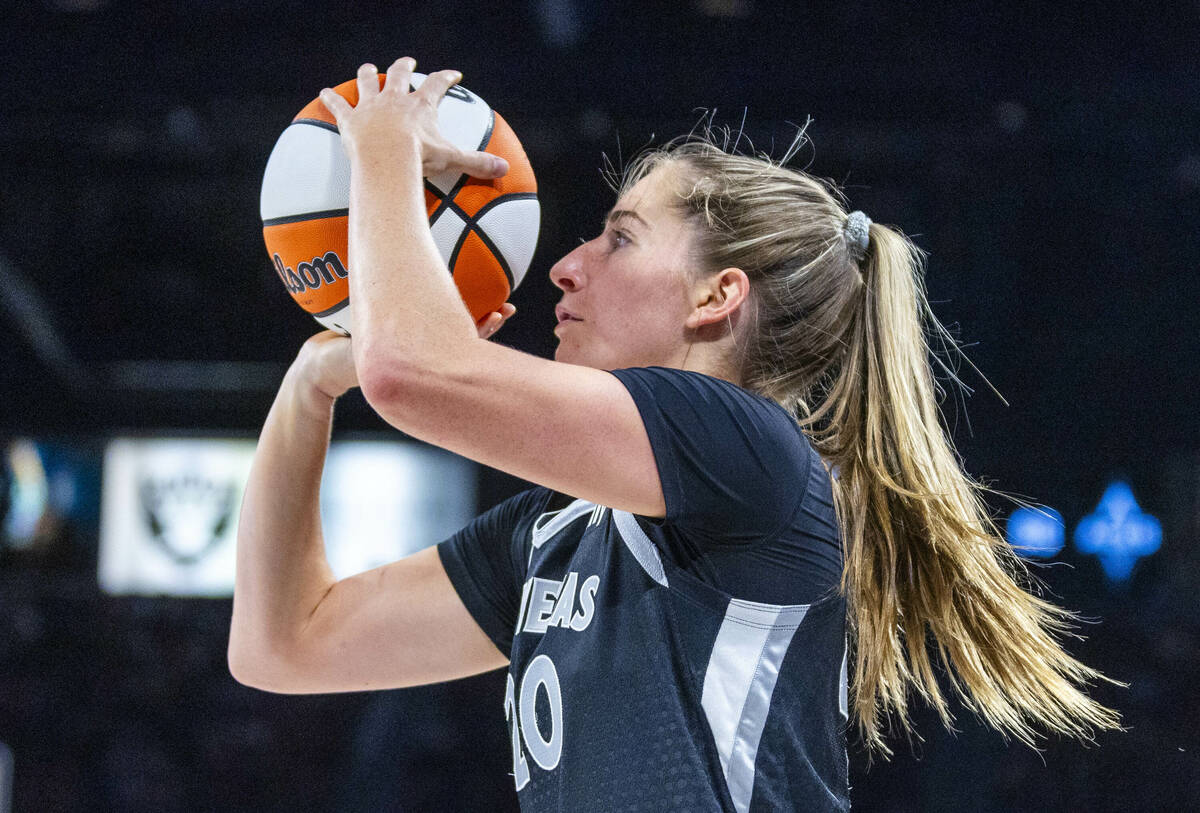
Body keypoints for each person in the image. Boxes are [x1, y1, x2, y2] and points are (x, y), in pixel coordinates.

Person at [228, 59, 1119, 811]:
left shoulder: (752, 451)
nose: (565, 267)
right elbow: (284, 642)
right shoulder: (557, 529)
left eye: (619, 239)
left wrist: (382, 149)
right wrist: (308, 392)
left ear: (715, 297)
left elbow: (408, 376)